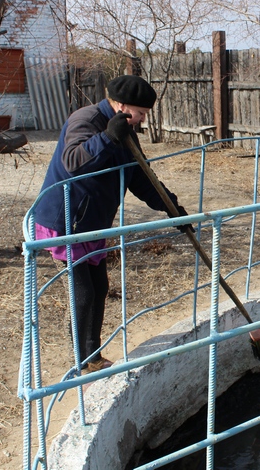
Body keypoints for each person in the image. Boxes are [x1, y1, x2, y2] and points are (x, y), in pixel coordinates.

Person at [33, 75, 187, 373]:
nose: (142, 120)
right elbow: (73, 160)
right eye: (140, 113)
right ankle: (82, 364)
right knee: (84, 293)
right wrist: (107, 137)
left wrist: (173, 209)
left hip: (92, 223)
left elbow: (142, 177)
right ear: (120, 105)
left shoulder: (126, 131)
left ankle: (94, 356)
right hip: (66, 220)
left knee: (100, 286)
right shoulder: (86, 119)